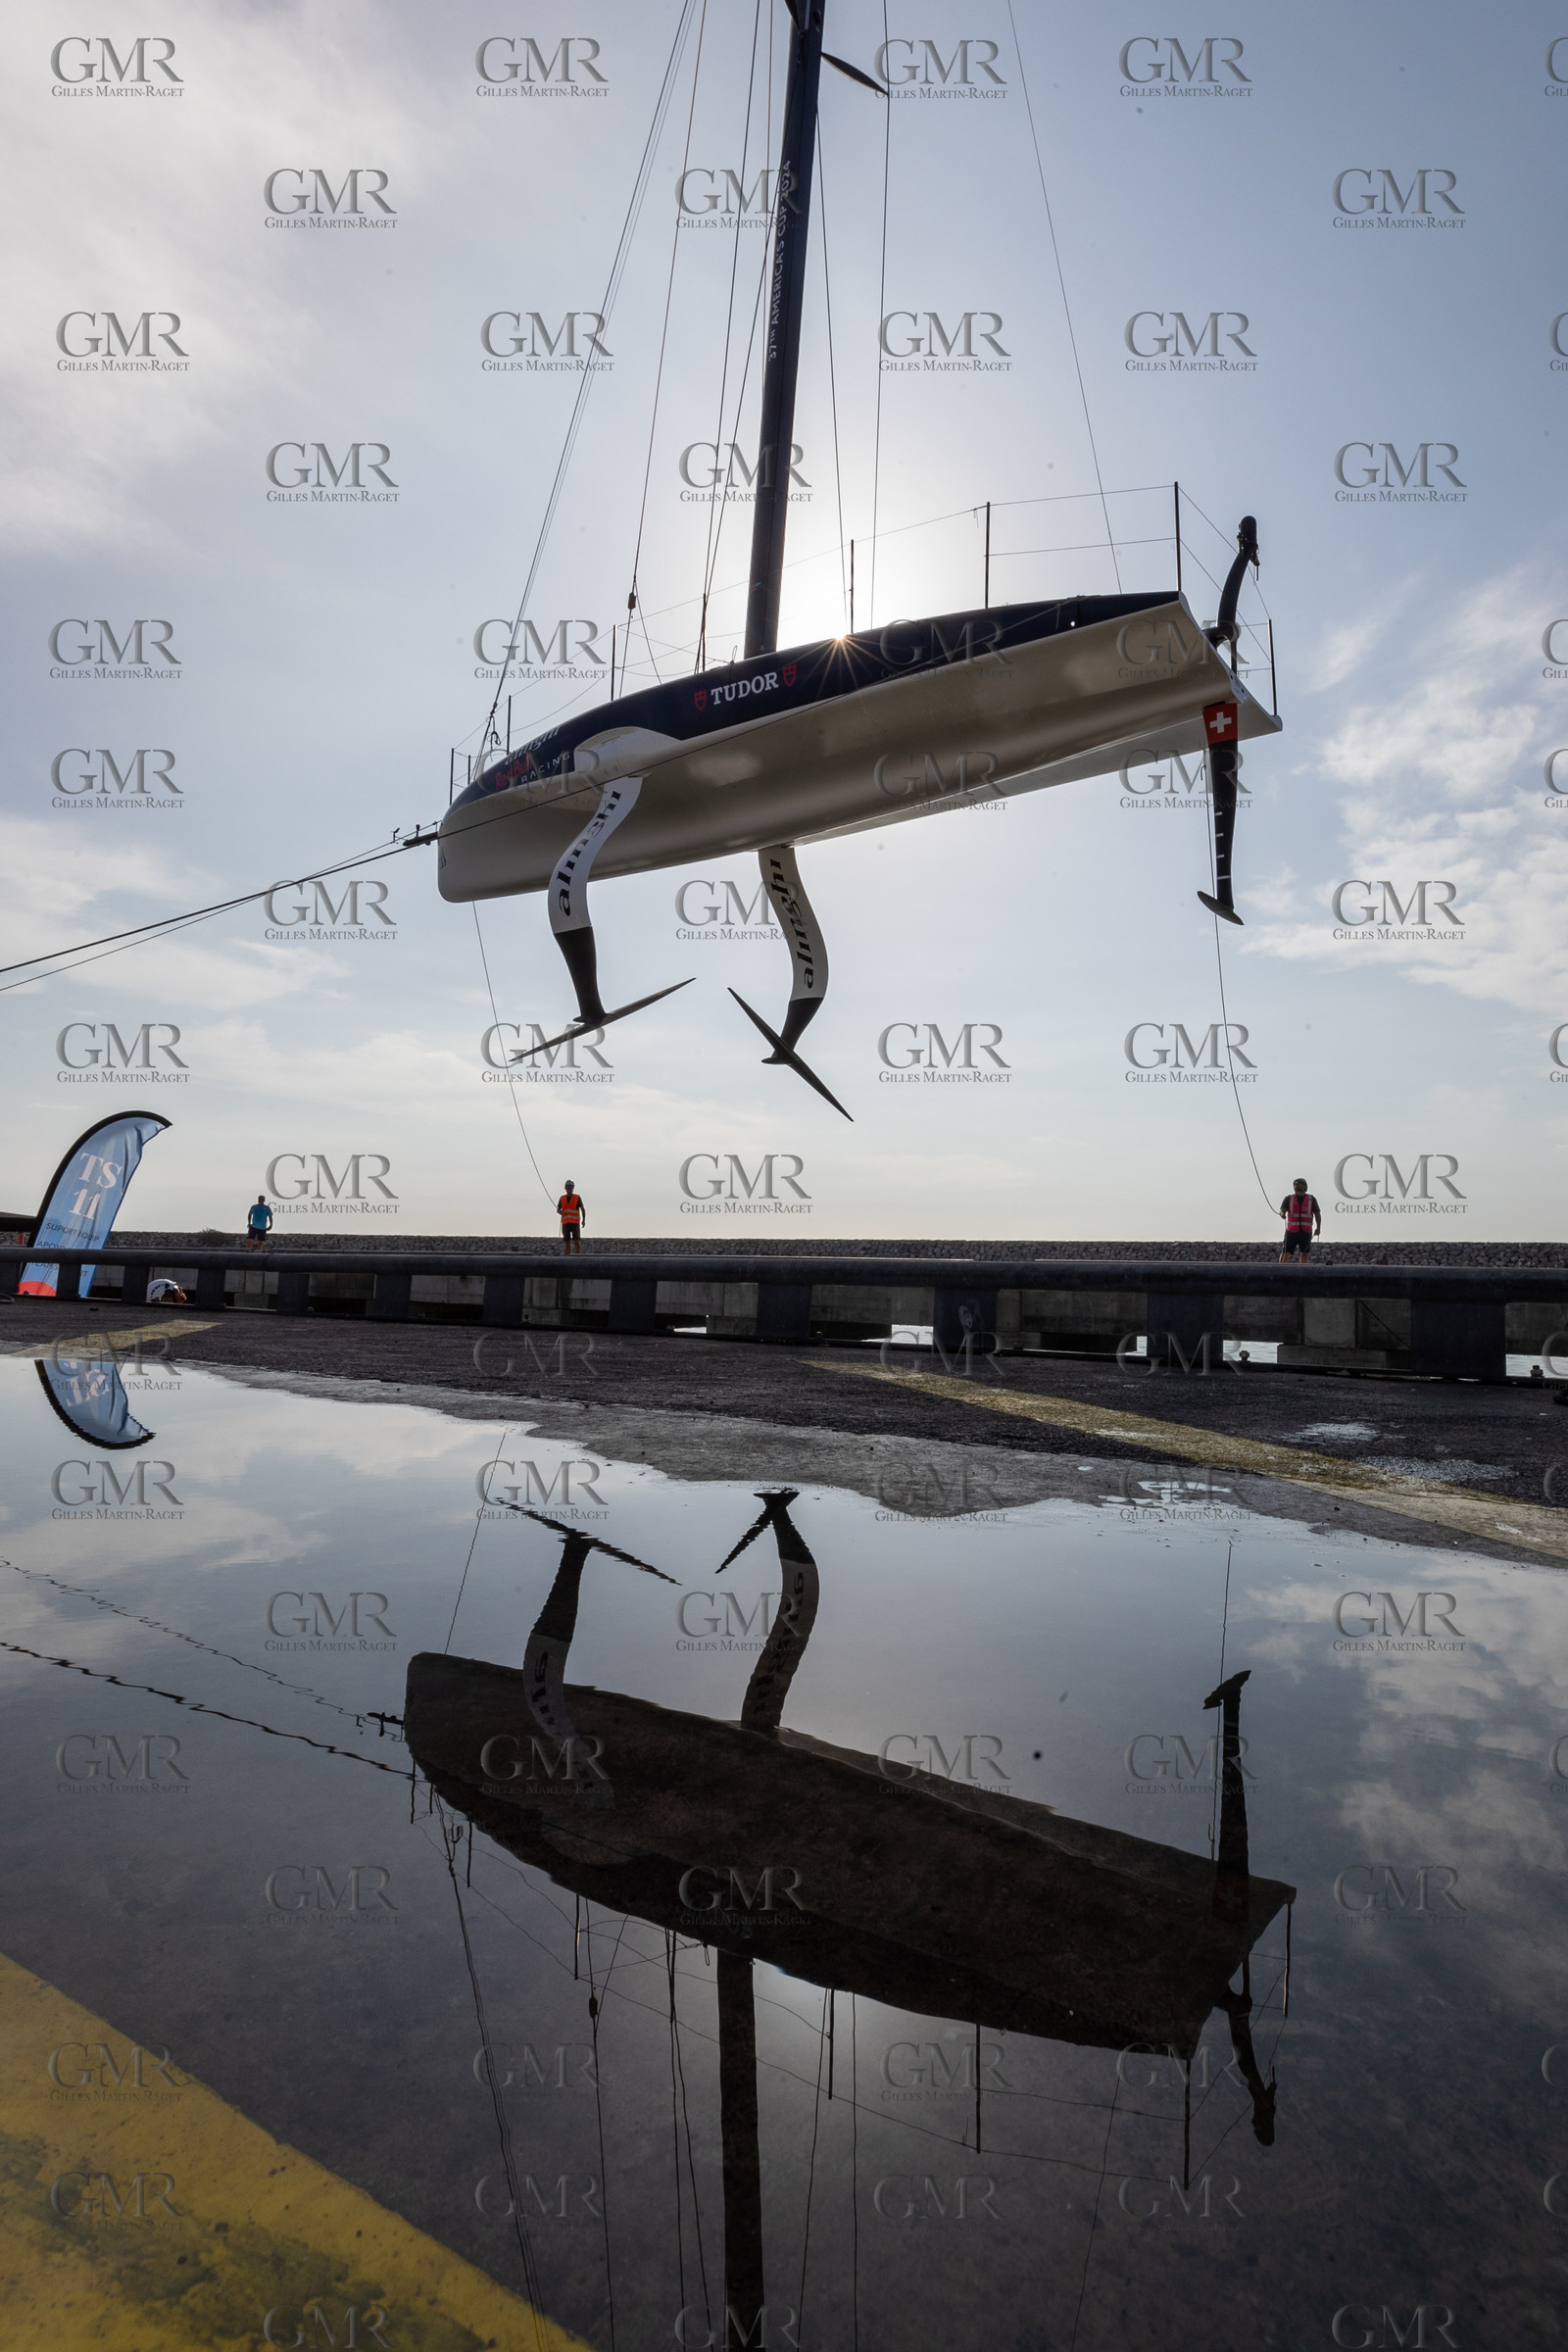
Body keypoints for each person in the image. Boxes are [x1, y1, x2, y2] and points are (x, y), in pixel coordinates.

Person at [1278, 1177, 1320, 1262]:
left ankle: (1303, 1271)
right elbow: (1282, 1210)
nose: (1297, 1186)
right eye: (1295, 1184)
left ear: (1304, 1186)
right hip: (1291, 1231)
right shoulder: (1289, 1198)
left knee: (1305, 1253)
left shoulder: (1311, 1199)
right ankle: (1281, 1270)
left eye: (1299, 1184)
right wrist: (1282, 1214)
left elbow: (1317, 1214)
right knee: (1286, 1251)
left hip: (1306, 1231)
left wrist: (1318, 1228)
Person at [558, 1180, 585, 1256]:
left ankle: (578, 1256)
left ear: (573, 1188)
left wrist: (583, 1220)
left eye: (571, 1187)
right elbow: (558, 1209)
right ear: (565, 1188)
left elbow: (582, 1209)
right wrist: (560, 1212)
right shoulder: (562, 1198)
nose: (569, 1188)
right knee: (567, 1241)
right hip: (565, 1223)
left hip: (575, 1223)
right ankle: (568, 1257)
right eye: (568, 1187)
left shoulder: (577, 1197)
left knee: (576, 1240)